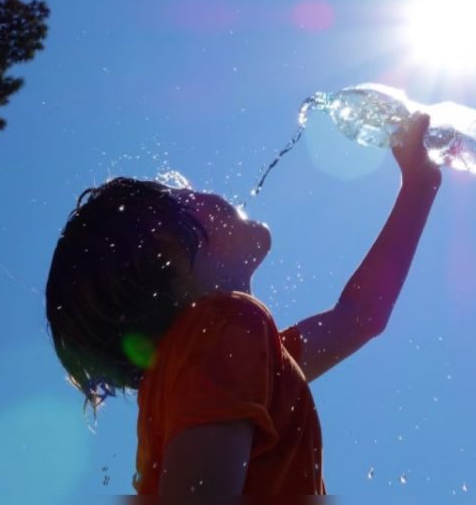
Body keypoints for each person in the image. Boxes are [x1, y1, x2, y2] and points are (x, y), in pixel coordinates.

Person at [45, 113, 442, 495]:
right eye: (185, 198)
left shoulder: (226, 358)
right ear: (167, 254)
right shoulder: (221, 330)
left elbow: (360, 317)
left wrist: (419, 185)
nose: (205, 192)